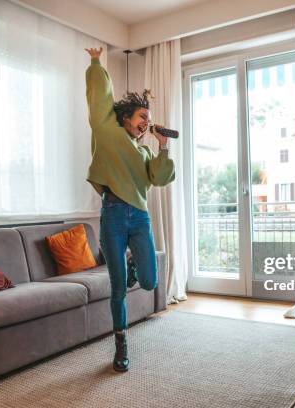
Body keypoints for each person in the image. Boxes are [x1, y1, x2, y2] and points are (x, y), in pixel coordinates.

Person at [84, 47, 175, 372]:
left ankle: (136, 266)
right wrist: (96, 63)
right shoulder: (107, 133)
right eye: (142, 119)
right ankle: (121, 343)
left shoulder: (144, 153)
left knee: (149, 281)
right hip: (112, 215)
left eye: (148, 122)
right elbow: (99, 98)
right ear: (125, 118)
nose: (145, 125)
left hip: (138, 218)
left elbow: (161, 178)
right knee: (118, 287)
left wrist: (163, 147)